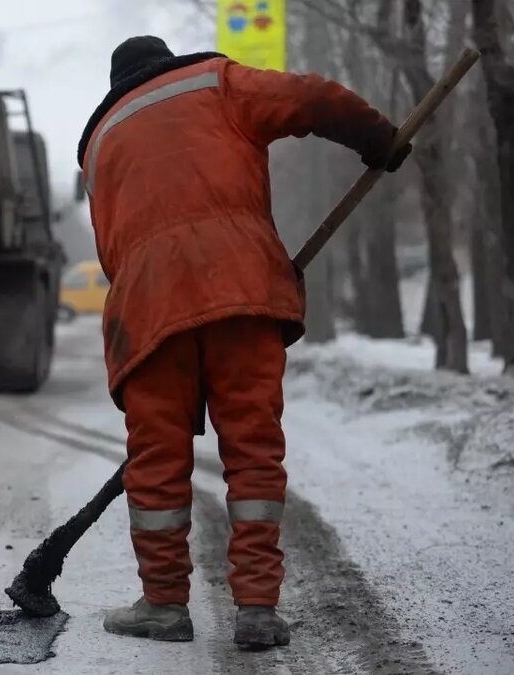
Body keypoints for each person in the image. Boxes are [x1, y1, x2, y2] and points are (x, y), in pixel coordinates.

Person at [78, 37, 411, 650]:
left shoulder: (98, 145)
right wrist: (379, 140)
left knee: (157, 460)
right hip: (242, 284)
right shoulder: (215, 83)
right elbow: (311, 99)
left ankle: (163, 604)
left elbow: (110, 251)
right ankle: (257, 609)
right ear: (166, 61)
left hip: (147, 308)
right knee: (253, 447)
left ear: (117, 84)